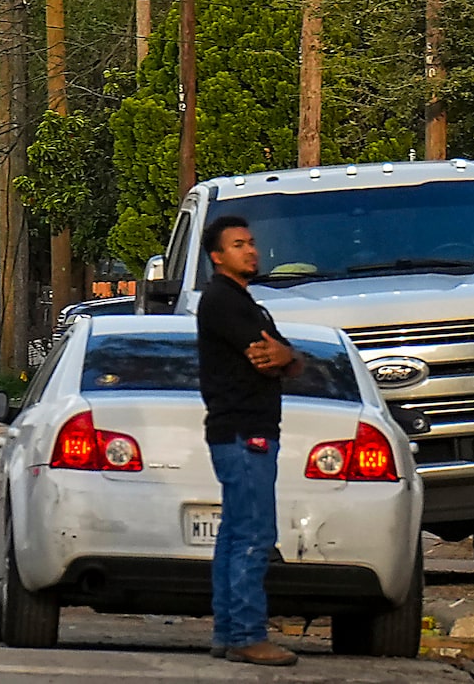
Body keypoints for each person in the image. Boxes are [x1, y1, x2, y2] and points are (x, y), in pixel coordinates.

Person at [197, 212, 300, 667]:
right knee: (256, 534)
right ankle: (245, 634)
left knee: (236, 534)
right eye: (239, 244)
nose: (251, 250)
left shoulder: (249, 304)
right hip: (243, 432)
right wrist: (285, 357)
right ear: (218, 256)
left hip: (249, 431)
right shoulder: (221, 301)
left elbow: (286, 358)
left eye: (252, 242)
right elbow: (264, 356)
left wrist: (288, 355)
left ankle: (227, 631)